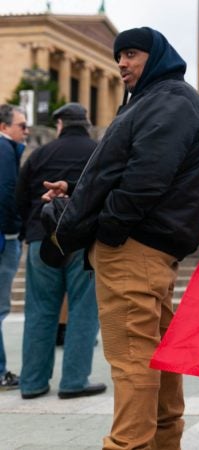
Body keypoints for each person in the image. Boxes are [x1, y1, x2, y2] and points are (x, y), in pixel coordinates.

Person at [41, 27, 199, 449]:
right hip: (147, 246)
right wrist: (80, 193)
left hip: (132, 247)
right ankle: (161, 441)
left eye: (131, 54)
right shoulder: (158, 100)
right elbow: (133, 171)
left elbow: (146, 178)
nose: (121, 63)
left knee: (132, 359)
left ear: (155, 57)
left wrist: (108, 227)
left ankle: (128, 445)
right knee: (155, 356)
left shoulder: (167, 99)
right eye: (119, 55)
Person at [15, 103, 105, 400]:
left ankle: (32, 382)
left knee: (40, 309)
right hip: (83, 241)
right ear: (86, 123)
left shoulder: (40, 154)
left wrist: (28, 231)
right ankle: (74, 381)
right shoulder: (99, 150)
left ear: (60, 125)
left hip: (42, 237)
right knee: (83, 308)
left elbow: (21, 196)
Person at [0, 104, 27, 391]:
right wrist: (12, 231)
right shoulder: (5, 150)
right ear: (4, 127)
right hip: (3, 238)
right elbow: (6, 191)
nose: (26, 130)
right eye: (21, 125)